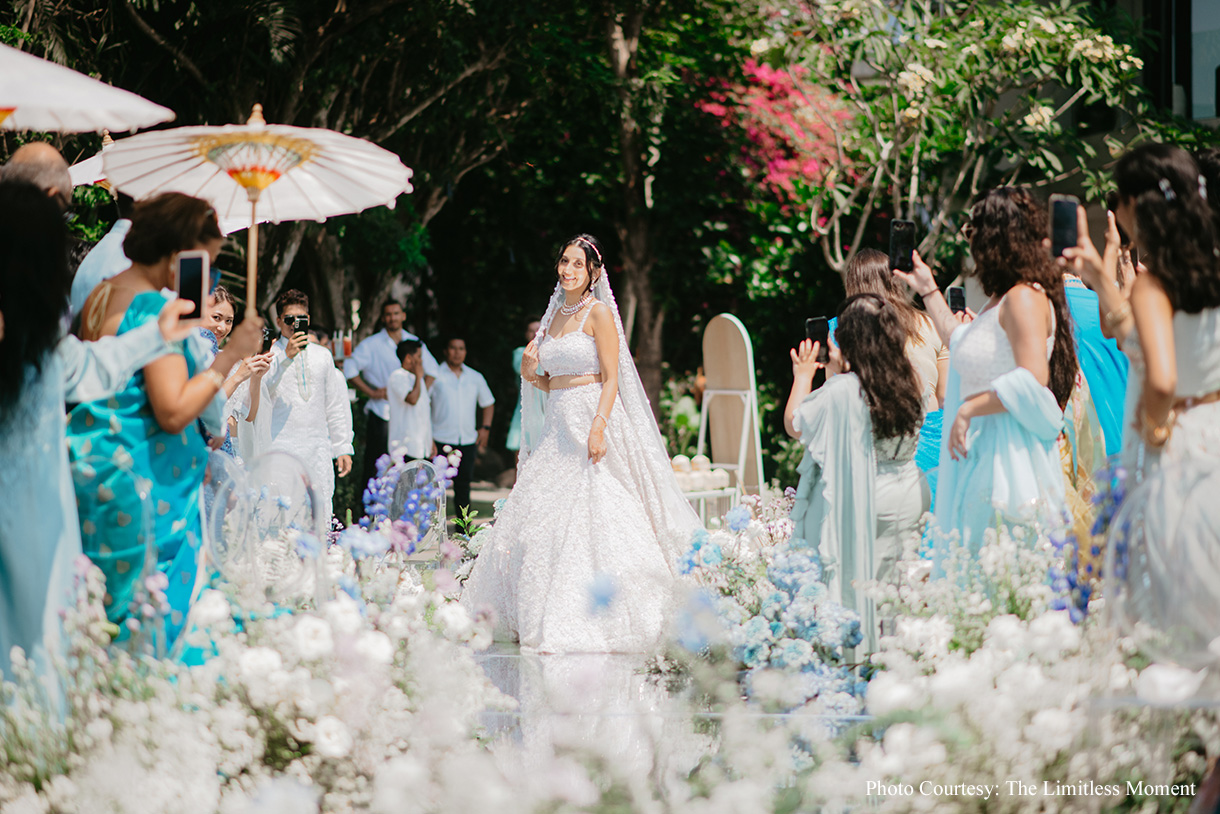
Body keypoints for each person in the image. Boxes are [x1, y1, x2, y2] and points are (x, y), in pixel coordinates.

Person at [0, 181, 208, 681]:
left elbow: (88, 369)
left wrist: (157, 335)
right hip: (26, 503)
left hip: (46, 506)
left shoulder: (42, 326)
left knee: (43, 638)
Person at [460, 234, 701, 654]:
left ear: (593, 272)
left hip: (593, 413)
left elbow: (611, 377)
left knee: (599, 507)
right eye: (564, 262)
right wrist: (530, 371)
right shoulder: (552, 318)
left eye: (577, 264)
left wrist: (599, 426)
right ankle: (534, 608)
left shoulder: (598, 313)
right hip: (558, 423)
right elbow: (548, 383)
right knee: (541, 518)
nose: (568, 270)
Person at [67, 192, 263, 641]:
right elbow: (172, 409)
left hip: (99, 464)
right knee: (150, 622)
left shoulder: (102, 292)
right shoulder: (152, 308)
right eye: (206, 260)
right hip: (144, 483)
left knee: (106, 616)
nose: (207, 274)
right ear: (180, 254)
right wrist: (230, 355)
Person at [896, 187, 1077, 559]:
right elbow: (962, 343)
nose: (969, 239)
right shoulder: (1001, 299)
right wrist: (929, 290)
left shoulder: (1025, 297)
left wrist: (967, 409)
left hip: (1011, 459)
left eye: (972, 230)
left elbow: (1032, 379)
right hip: (983, 453)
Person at [785, 294, 929, 651]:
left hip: (871, 496)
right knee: (896, 586)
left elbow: (796, 422)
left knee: (861, 587)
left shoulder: (844, 390)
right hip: (911, 490)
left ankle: (860, 660)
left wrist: (804, 376)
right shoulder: (910, 379)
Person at [831, 249, 947, 489]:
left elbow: (836, 394)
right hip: (933, 444)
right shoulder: (933, 325)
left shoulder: (840, 330)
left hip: (873, 445)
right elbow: (945, 396)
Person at [262, 289, 354, 521]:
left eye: (300, 319)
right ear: (278, 321)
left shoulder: (323, 356)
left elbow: (334, 405)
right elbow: (263, 394)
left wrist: (342, 446)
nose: (294, 325)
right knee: (281, 517)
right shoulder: (269, 353)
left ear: (308, 320)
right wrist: (286, 358)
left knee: (318, 515)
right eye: (289, 319)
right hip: (279, 447)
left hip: (317, 448)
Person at [345, 300, 439, 490]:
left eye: (396, 313)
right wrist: (371, 392)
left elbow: (433, 370)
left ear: (403, 315)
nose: (392, 318)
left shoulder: (414, 342)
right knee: (377, 465)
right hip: (382, 412)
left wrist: (419, 389)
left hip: (410, 414)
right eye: (388, 314)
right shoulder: (372, 344)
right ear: (382, 318)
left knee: (408, 469)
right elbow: (349, 367)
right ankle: (369, 512)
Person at [430, 337, 494, 513]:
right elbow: (424, 404)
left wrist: (485, 428)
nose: (457, 352)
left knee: (464, 486)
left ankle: (462, 531)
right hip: (440, 439)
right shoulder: (434, 375)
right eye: (453, 348)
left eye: (461, 348)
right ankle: (435, 530)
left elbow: (488, 402)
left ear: (465, 352)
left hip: (466, 440)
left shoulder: (475, 377)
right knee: (436, 487)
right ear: (446, 350)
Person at [387, 339, 433, 461]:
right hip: (404, 447)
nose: (421, 361)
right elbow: (412, 399)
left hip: (421, 447)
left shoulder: (418, 380)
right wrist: (419, 376)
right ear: (408, 358)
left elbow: (424, 413)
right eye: (419, 356)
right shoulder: (397, 376)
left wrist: (430, 441)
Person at [506, 316, 542, 460]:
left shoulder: (552, 352)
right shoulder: (520, 352)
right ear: (526, 334)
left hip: (549, 407)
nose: (534, 334)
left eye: (537, 330)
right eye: (531, 331)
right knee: (522, 450)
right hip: (527, 406)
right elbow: (523, 369)